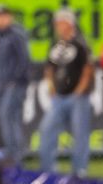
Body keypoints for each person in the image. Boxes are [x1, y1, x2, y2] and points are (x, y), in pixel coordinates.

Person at [38, 9, 93, 176]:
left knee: (80, 134)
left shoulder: (81, 43)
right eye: (56, 23)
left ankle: (79, 171)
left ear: (70, 24)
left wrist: (78, 91)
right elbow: (49, 68)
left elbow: (87, 69)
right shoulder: (55, 44)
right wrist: (52, 88)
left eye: (61, 23)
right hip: (59, 97)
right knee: (46, 130)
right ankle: (48, 171)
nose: (58, 27)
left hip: (78, 98)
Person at [0, 4, 31, 166]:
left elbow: (24, 60)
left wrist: (15, 81)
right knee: (8, 118)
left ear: (10, 17)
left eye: (2, 16)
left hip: (13, 85)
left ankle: (15, 155)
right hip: (1, 85)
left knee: (9, 117)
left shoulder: (16, 35)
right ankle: (12, 154)